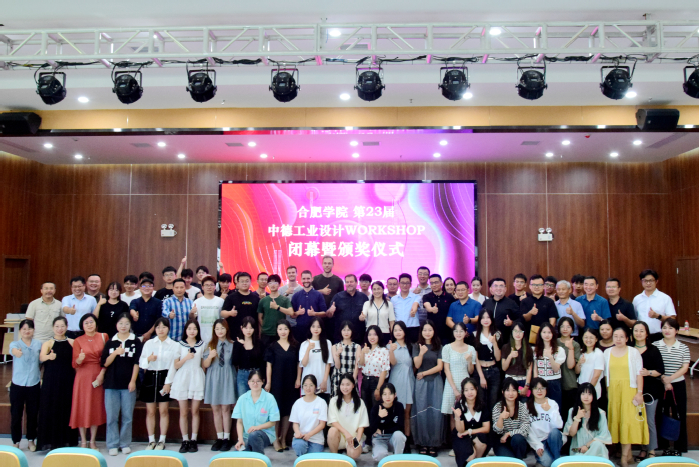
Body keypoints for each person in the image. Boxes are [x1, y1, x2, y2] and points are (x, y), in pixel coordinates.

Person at [604, 327, 648, 467]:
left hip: (629, 390)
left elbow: (639, 374)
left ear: (627, 338)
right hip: (614, 392)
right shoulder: (607, 352)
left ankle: (624, 458)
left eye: (621, 336)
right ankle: (628, 456)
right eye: (615, 336)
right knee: (618, 421)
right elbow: (606, 375)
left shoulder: (633, 352)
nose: (618, 339)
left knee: (627, 422)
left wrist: (639, 392)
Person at [101, 313, 142, 456]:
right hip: (111, 384)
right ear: (116, 325)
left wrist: (133, 381)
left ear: (130, 325)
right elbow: (104, 363)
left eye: (126, 323)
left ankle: (124, 443)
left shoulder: (135, 341)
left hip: (128, 384)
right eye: (120, 323)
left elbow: (137, 362)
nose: (123, 326)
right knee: (112, 416)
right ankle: (112, 444)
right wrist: (115, 353)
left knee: (127, 416)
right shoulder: (110, 342)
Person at [37, 317, 79, 451]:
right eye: (57, 326)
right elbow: (41, 357)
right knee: (50, 408)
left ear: (66, 327)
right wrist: (49, 357)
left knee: (66, 407)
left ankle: (67, 440)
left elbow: (77, 360)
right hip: (51, 381)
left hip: (68, 380)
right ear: (53, 328)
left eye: (62, 326)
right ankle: (50, 441)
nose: (60, 329)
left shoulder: (72, 342)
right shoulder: (48, 343)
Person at [165, 319, 206, 453]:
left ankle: (194, 439)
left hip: (196, 377)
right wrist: (186, 358)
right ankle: (185, 440)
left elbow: (203, 365)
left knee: (195, 411)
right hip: (182, 378)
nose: (192, 331)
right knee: (183, 412)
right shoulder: (179, 345)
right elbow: (176, 365)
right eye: (189, 329)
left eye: (195, 329)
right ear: (185, 330)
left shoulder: (202, 345)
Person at [140, 317, 179, 450]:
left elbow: (173, 366)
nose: (161, 330)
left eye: (164, 327)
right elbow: (142, 363)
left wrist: (168, 383)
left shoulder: (174, 345)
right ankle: (151, 440)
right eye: (158, 327)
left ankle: (162, 440)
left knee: (163, 411)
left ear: (168, 328)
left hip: (165, 377)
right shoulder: (149, 343)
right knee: (150, 411)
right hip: (150, 377)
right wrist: (148, 359)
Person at [70, 313, 108, 449]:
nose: (89, 325)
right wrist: (79, 359)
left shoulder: (103, 336)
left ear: (96, 323)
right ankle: (83, 440)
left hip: (98, 374)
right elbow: (74, 363)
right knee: (82, 406)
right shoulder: (78, 340)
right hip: (83, 376)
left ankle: (92, 440)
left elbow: (107, 358)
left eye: (91, 322)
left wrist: (102, 373)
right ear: (82, 326)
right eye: (86, 323)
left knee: (95, 407)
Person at [654, 318, 690, 454]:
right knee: (660, 414)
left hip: (678, 384)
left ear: (676, 331)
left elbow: (685, 367)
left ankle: (680, 447)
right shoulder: (655, 345)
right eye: (664, 327)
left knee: (679, 414)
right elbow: (654, 365)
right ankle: (663, 446)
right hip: (660, 384)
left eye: (670, 328)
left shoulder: (683, 347)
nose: (667, 330)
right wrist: (664, 379)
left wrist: (670, 379)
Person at [631, 321, 664, 461]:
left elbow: (660, 371)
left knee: (649, 420)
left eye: (641, 331)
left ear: (647, 333)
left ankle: (651, 450)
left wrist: (648, 372)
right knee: (638, 420)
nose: (638, 333)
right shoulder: (629, 349)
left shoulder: (653, 350)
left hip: (651, 391)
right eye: (636, 330)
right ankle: (643, 448)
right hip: (633, 390)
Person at [265, 319, 300, 451]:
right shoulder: (272, 346)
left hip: (291, 382)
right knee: (276, 412)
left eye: (285, 329)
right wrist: (268, 382)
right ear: (277, 331)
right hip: (277, 383)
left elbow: (299, 364)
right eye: (280, 329)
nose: (283, 331)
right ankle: (275, 440)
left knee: (287, 412)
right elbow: (269, 365)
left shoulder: (295, 345)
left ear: (289, 330)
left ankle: (283, 438)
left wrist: (298, 379)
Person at [411, 320, 444, 457]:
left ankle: (434, 443)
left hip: (435, 381)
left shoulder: (439, 346)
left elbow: (440, 367)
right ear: (421, 332)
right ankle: (423, 443)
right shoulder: (416, 346)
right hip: (421, 383)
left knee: (436, 412)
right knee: (422, 411)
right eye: (425, 330)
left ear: (434, 331)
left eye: (430, 330)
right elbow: (417, 365)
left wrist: (424, 373)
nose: (427, 332)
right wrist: (421, 353)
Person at [203, 319, 237, 452]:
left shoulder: (232, 344)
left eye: (222, 328)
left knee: (226, 409)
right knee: (216, 409)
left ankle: (227, 438)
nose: (220, 331)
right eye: (217, 329)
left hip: (227, 377)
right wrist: (210, 357)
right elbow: (205, 365)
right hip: (213, 378)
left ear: (226, 329)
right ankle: (219, 437)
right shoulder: (210, 344)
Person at [9, 319, 41, 451]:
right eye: (24, 329)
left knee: (32, 414)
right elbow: (13, 350)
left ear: (33, 330)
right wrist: (16, 352)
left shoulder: (38, 344)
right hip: (18, 384)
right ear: (20, 331)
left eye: (29, 328)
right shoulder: (15, 344)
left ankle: (31, 440)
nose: (27, 331)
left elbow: (42, 359)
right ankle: (16, 441)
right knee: (16, 414)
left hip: (34, 383)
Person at [441, 322, 476, 443]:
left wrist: (470, 361)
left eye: (461, 331)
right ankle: (455, 443)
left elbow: (471, 371)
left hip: (466, 383)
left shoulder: (471, 349)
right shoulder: (447, 348)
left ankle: (466, 441)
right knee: (453, 414)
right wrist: (455, 389)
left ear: (466, 332)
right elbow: (446, 369)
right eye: (456, 331)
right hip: (451, 383)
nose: (458, 333)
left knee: (466, 412)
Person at [233, 369, 281, 454]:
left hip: (265, 434)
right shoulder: (242, 399)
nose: (255, 384)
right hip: (246, 436)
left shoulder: (270, 398)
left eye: (258, 381)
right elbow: (239, 422)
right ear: (248, 382)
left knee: (254, 435)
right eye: (252, 381)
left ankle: (260, 458)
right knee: (239, 454)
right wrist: (240, 439)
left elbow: (273, 422)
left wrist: (257, 428)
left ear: (262, 382)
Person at [327, 373, 370, 460]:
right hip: (340, 435)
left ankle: (349, 454)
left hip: (354, 437)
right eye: (342, 384)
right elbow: (333, 421)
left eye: (348, 384)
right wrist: (346, 433)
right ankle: (334, 457)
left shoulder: (360, 402)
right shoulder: (334, 401)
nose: (345, 387)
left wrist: (357, 440)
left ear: (353, 386)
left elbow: (362, 424)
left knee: (354, 453)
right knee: (332, 431)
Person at [564, 383, 612, 457]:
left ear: (593, 396)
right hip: (577, 449)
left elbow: (604, 434)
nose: (586, 397)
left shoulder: (600, 413)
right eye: (583, 394)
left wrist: (587, 446)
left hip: (594, 448)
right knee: (578, 455)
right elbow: (571, 433)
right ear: (579, 395)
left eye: (589, 394)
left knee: (598, 444)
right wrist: (577, 418)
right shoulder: (572, 411)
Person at [388, 321, 415, 448]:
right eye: (395, 330)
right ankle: (396, 441)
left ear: (404, 331)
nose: (398, 332)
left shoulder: (411, 346)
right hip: (395, 381)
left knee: (407, 413)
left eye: (400, 330)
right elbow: (392, 363)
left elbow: (415, 365)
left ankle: (407, 441)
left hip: (409, 381)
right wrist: (391, 351)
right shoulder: (390, 346)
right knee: (395, 412)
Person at [526, 378, 564, 467]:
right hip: (538, 441)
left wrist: (550, 410)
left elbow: (559, 425)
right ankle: (552, 460)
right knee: (547, 463)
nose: (539, 391)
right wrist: (537, 445)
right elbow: (528, 431)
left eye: (542, 388)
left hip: (552, 439)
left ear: (546, 390)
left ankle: (557, 461)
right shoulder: (526, 406)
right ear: (532, 390)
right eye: (536, 388)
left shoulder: (552, 403)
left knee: (555, 432)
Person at [633, 269, 677, 342]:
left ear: (656, 281)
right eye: (645, 281)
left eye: (651, 280)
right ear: (641, 282)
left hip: (659, 336)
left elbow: (672, 319)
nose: (648, 283)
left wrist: (658, 316)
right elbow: (634, 318)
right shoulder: (637, 299)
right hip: (640, 337)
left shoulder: (665, 298)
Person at [491, 377, 531, 458]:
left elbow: (526, 428)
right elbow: (497, 431)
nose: (511, 393)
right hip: (502, 442)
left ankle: (519, 461)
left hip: (516, 440)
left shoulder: (521, 406)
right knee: (510, 460)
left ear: (517, 392)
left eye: (513, 390)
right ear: (503, 392)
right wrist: (501, 418)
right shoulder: (497, 407)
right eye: (507, 390)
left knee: (518, 439)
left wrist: (509, 434)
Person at [290, 375, 328, 456]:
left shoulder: (321, 402)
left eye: (311, 385)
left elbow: (322, 424)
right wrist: (297, 432)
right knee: (299, 445)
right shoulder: (298, 403)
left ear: (315, 387)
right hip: (301, 438)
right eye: (305, 385)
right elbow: (295, 423)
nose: (308, 388)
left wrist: (309, 435)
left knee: (313, 459)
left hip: (316, 440)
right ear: (302, 386)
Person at [368, 383, 406, 462]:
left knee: (399, 435)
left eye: (390, 394)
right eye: (384, 394)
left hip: (393, 438)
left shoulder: (399, 406)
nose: (387, 397)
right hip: (379, 439)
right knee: (380, 455)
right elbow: (372, 430)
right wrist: (379, 417)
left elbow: (400, 427)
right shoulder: (376, 408)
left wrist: (383, 431)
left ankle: (397, 460)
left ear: (395, 395)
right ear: (381, 396)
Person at [298, 318, 334, 400]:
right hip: (308, 384)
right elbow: (304, 364)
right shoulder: (304, 344)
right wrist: (308, 349)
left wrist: (325, 381)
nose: (316, 329)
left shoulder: (327, 343)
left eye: (318, 327)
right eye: (313, 326)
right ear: (310, 328)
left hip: (322, 383)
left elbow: (328, 364)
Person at [532, 323, 566, 409]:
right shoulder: (535, 350)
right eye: (544, 332)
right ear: (540, 334)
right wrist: (536, 383)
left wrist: (550, 357)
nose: (546, 335)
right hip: (540, 382)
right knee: (540, 407)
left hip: (554, 382)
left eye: (549, 332)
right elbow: (535, 368)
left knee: (555, 408)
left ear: (553, 334)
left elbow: (556, 369)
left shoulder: (559, 350)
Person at [328, 274, 369, 344]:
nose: (349, 284)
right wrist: (330, 311)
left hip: (359, 336)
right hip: (340, 336)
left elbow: (369, 315)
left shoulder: (364, 297)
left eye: (351, 282)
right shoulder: (337, 297)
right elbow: (329, 315)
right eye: (347, 282)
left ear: (356, 283)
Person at [474, 309, 502, 409]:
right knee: (480, 401)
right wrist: (481, 377)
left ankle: (493, 419)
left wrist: (494, 343)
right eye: (483, 318)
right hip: (480, 371)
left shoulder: (497, 334)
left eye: (488, 317)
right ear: (480, 320)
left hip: (494, 371)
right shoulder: (475, 335)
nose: (486, 320)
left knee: (493, 401)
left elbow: (498, 358)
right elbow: (475, 359)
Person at [360, 325, 391, 413]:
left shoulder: (384, 350)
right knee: (365, 410)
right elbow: (361, 364)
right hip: (365, 381)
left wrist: (378, 388)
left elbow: (384, 371)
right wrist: (362, 353)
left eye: (375, 334)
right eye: (370, 335)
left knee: (376, 409)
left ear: (379, 336)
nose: (372, 337)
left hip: (376, 382)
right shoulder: (365, 349)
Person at [291, 270, 328, 343]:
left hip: (315, 330)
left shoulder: (318, 295)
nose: (306, 281)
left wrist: (314, 313)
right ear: (301, 279)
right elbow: (292, 315)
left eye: (308, 278)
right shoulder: (296, 296)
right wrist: (298, 313)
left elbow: (325, 313)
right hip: (300, 330)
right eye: (304, 279)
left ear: (312, 279)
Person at [258, 274, 293, 347]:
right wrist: (265, 327)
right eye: (270, 283)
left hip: (281, 333)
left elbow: (291, 312)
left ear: (279, 285)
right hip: (266, 334)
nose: (272, 285)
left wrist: (277, 307)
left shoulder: (285, 300)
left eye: (275, 282)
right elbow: (260, 317)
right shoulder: (263, 300)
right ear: (268, 285)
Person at [482, 278, 521, 345]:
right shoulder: (486, 302)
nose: (498, 288)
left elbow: (520, 319)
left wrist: (511, 323)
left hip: (505, 340)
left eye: (501, 286)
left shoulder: (511, 303)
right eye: (496, 286)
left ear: (505, 289)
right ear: (491, 289)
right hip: (487, 338)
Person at [232, 316, 264, 397]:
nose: (248, 330)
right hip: (242, 375)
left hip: (256, 375)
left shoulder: (259, 343)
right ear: (241, 328)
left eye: (251, 328)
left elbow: (262, 362)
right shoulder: (237, 344)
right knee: (243, 399)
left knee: (256, 398)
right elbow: (234, 362)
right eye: (246, 328)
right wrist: (239, 346)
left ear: (254, 329)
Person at [558, 317, 581, 423]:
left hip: (570, 383)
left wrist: (570, 348)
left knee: (569, 415)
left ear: (572, 329)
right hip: (556, 383)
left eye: (568, 327)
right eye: (562, 326)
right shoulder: (554, 342)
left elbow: (571, 365)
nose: (565, 329)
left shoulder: (575, 345)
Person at [222, 272, 260, 336]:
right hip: (234, 333)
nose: (244, 283)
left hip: (252, 334)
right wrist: (230, 313)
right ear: (237, 283)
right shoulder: (230, 297)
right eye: (242, 281)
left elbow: (259, 317)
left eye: (247, 281)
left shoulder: (256, 298)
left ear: (250, 282)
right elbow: (222, 313)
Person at [501, 321, 533, 398]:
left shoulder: (528, 349)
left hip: (523, 381)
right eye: (515, 331)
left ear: (523, 333)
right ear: (512, 332)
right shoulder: (506, 347)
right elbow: (504, 368)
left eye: (520, 331)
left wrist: (527, 386)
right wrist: (510, 356)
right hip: (509, 380)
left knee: (524, 403)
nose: (518, 334)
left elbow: (529, 369)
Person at [422, 274, 457, 344]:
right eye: (432, 283)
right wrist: (432, 309)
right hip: (432, 334)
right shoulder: (426, 296)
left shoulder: (449, 297)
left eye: (436, 282)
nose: (434, 285)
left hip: (447, 333)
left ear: (441, 283)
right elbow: (427, 306)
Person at [520, 275, 557, 341]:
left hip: (546, 337)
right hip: (528, 337)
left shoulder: (549, 301)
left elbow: (553, 321)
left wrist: (547, 333)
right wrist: (530, 313)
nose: (536, 287)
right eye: (534, 285)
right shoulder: (524, 301)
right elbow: (523, 319)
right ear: (530, 286)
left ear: (543, 286)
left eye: (539, 285)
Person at [330, 321, 362, 397]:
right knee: (337, 401)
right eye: (344, 330)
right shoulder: (335, 347)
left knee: (352, 401)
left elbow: (357, 365)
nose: (346, 332)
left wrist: (352, 381)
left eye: (348, 330)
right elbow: (337, 366)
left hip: (351, 377)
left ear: (352, 331)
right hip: (338, 378)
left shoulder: (357, 347)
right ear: (340, 331)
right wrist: (337, 354)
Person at [192, 275, 224, 345]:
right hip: (201, 335)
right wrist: (192, 313)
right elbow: (193, 317)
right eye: (206, 285)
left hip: (217, 334)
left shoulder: (220, 301)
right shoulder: (197, 302)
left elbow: (223, 319)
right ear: (202, 287)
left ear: (215, 287)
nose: (209, 287)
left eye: (211, 285)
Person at [576, 329, 605, 402]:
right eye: (586, 337)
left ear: (596, 339)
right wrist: (579, 363)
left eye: (591, 338)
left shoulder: (598, 353)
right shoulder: (582, 352)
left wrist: (588, 391)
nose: (588, 340)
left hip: (592, 388)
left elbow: (596, 376)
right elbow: (577, 372)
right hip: (581, 387)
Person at [129, 277, 162, 341]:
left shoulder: (158, 302)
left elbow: (159, 320)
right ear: (140, 288)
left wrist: (149, 333)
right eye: (144, 286)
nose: (146, 288)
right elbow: (132, 309)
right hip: (137, 335)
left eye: (149, 286)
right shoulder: (135, 301)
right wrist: (134, 314)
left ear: (153, 288)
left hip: (153, 336)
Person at [391, 273, 421, 343]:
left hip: (413, 328)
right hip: (398, 329)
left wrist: (413, 311)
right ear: (399, 284)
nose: (405, 285)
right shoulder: (394, 299)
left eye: (407, 283)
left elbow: (415, 304)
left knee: (413, 349)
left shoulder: (416, 297)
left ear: (410, 284)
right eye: (402, 283)